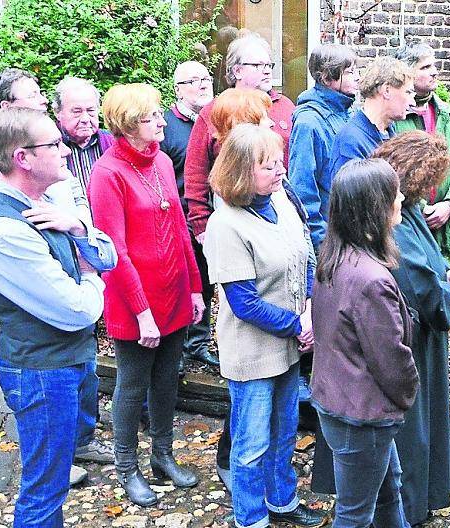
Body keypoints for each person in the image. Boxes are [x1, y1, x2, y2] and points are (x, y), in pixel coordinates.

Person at [0, 107, 117, 527]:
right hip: (41, 372)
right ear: (23, 158)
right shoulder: (1, 232)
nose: (65, 151)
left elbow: (108, 254)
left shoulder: (46, 199)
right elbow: (80, 309)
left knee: (51, 483)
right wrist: (91, 273)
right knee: (44, 489)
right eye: (53, 144)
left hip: (66, 362)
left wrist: (81, 232)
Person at [202, 124, 325, 528]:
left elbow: (304, 259)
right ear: (240, 172)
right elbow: (243, 303)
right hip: (253, 351)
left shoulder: (281, 204)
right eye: (268, 165)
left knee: (284, 433)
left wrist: (309, 306)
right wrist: (298, 324)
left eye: (278, 161)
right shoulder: (227, 225)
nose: (280, 171)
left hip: (290, 344)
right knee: (251, 444)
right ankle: (251, 518)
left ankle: (283, 502)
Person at [87, 84, 204, 507]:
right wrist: (142, 314)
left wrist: (194, 287)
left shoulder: (158, 161)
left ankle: (162, 455)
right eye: (151, 116)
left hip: (172, 295)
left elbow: (180, 229)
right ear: (128, 126)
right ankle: (126, 468)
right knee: (132, 386)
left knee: (167, 380)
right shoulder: (108, 174)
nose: (161, 121)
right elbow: (113, 252)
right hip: (133, 304)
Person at [372, 131, 450, 524]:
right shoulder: (393, 218)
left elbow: (429, 255)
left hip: (420, 334)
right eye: (430, 178)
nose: (433, 187)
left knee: (424, 421)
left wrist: (447, 271)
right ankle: (408, 508)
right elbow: (415, 279)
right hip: (411, 339)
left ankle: (420, 498)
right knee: (412, 428)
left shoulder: (407, 205)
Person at [311, 158, 417, 528]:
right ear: (375, 208)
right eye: (394, 194)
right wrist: (406, 397)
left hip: (339, 401)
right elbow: (391, 360)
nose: (401, 199)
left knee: (389, 490)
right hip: (361, 415)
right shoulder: (371, 280)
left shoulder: (335, 258)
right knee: (355, 516)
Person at [183, 86, 277, 490]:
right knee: (246, 375)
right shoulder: (233, 185)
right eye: (262, 120)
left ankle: (259, 459)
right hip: (245, 283)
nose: (272, 125)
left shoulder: (268, 175)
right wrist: (203, 229)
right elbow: (194, 185)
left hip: (272, 286)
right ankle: (233, 457)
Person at [184, 33, 295, 244]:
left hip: (281, 213)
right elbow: (195, 172)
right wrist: (201, 224)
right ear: (237, 70)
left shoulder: (284, 107)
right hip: (232, 213)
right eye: (258, 65)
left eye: (269, 64)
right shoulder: (215, 111)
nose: (267, 70)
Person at [159, 61, 219, 371]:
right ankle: (177, 351)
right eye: (192, 81)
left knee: (206, 282)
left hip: (208, 220)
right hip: (178, 223)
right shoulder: (167, 127)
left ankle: (198, 344)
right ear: (178, 89)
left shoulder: (215, 120)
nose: (202, 84)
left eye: (205, 78)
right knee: (182, 286)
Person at [393, 43, 450, 253]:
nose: (434, 72)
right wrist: (422, 209)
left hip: (441, 230)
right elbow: (389, 172)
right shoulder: (394, 118)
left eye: (434, 65)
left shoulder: (448, 116)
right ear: (407, 72)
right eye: (426, 67)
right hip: (406, 229)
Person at [0, 68, 89, 225]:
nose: (44, 100)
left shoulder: (46, 141)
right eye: (32, 95)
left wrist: (81, 226)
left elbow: (74, 188)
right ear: (7, 107)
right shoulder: (0, 158)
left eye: (40, 93)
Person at [288, 43, 359, 252]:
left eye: (357, 70)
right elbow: (302, 187)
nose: (357, 77)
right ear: (327, 78)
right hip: (330, 239)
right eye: (350, 72)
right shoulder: (308, 122)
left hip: (353, 234)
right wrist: (322, 242)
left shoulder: (350, 113)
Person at [324, 57, 415, 182]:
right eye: (408, 92)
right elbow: (353, 198)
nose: (413, 102)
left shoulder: (390, 132)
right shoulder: (350, 141)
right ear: (386, 90)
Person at [52, 77, 116, 191]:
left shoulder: (112, 143)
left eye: (91, 110)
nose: (85, 119)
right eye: (77, 112)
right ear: (58, 113)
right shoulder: (48, 147)